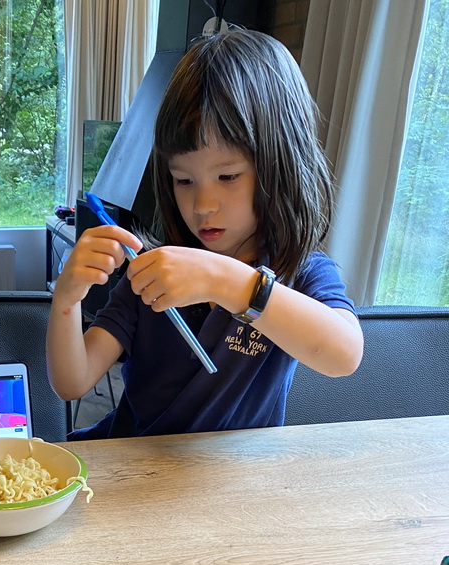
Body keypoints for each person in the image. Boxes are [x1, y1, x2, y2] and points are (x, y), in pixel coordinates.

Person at [46, 28, 364, 440]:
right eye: (183, 180)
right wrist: (67, 300)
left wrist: (229, 282)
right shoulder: (152, 272)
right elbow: (72, 382)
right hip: (132, 473)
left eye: (228, 176)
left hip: (228, 486)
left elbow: (343, 355)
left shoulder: (298, 273)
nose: (202, 205)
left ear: (279, 165)